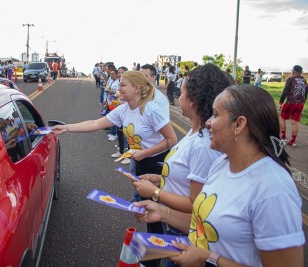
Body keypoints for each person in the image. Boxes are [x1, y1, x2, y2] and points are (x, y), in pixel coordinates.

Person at [135, 84, 305, 267]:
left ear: (239, 124)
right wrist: (163, 213)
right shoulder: (221, 163)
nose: (208, 122)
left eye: (215, 115)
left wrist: (208, 258)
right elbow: (207, 225)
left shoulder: (273, 189)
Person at [52, 71, 178, 267]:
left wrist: (145, 153)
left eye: (123, 85)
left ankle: (158, 260)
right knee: (150, 211)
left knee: (160, 215)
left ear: (136, 88)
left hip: (158, 163)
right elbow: (95, 123)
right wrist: (66, 128)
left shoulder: (151, 110)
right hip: (141, 161)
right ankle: (155, 256)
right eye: (119, 84)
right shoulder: (123, 109)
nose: (118, 88)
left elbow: (171, 140)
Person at [133, 63, 230, 267]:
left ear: (192, 101)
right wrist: (160, 179)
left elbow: (197, 203)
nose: (179, 96)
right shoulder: (194, 132)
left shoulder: (203, 144)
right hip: (174, 224)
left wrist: (155, 192)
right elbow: (190, 177)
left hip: (186, 231)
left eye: (182, 92)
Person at [279, 65, 307, 147]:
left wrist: (280, 102)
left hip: (290, 103)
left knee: (282, 118)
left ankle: (283, 138)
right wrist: (302, 103)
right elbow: (305, 94)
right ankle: (293, 141)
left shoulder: (290, 79)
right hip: (300, 104)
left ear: (294, 71)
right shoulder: (304, 81)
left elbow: (285, 91)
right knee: (295, 122)